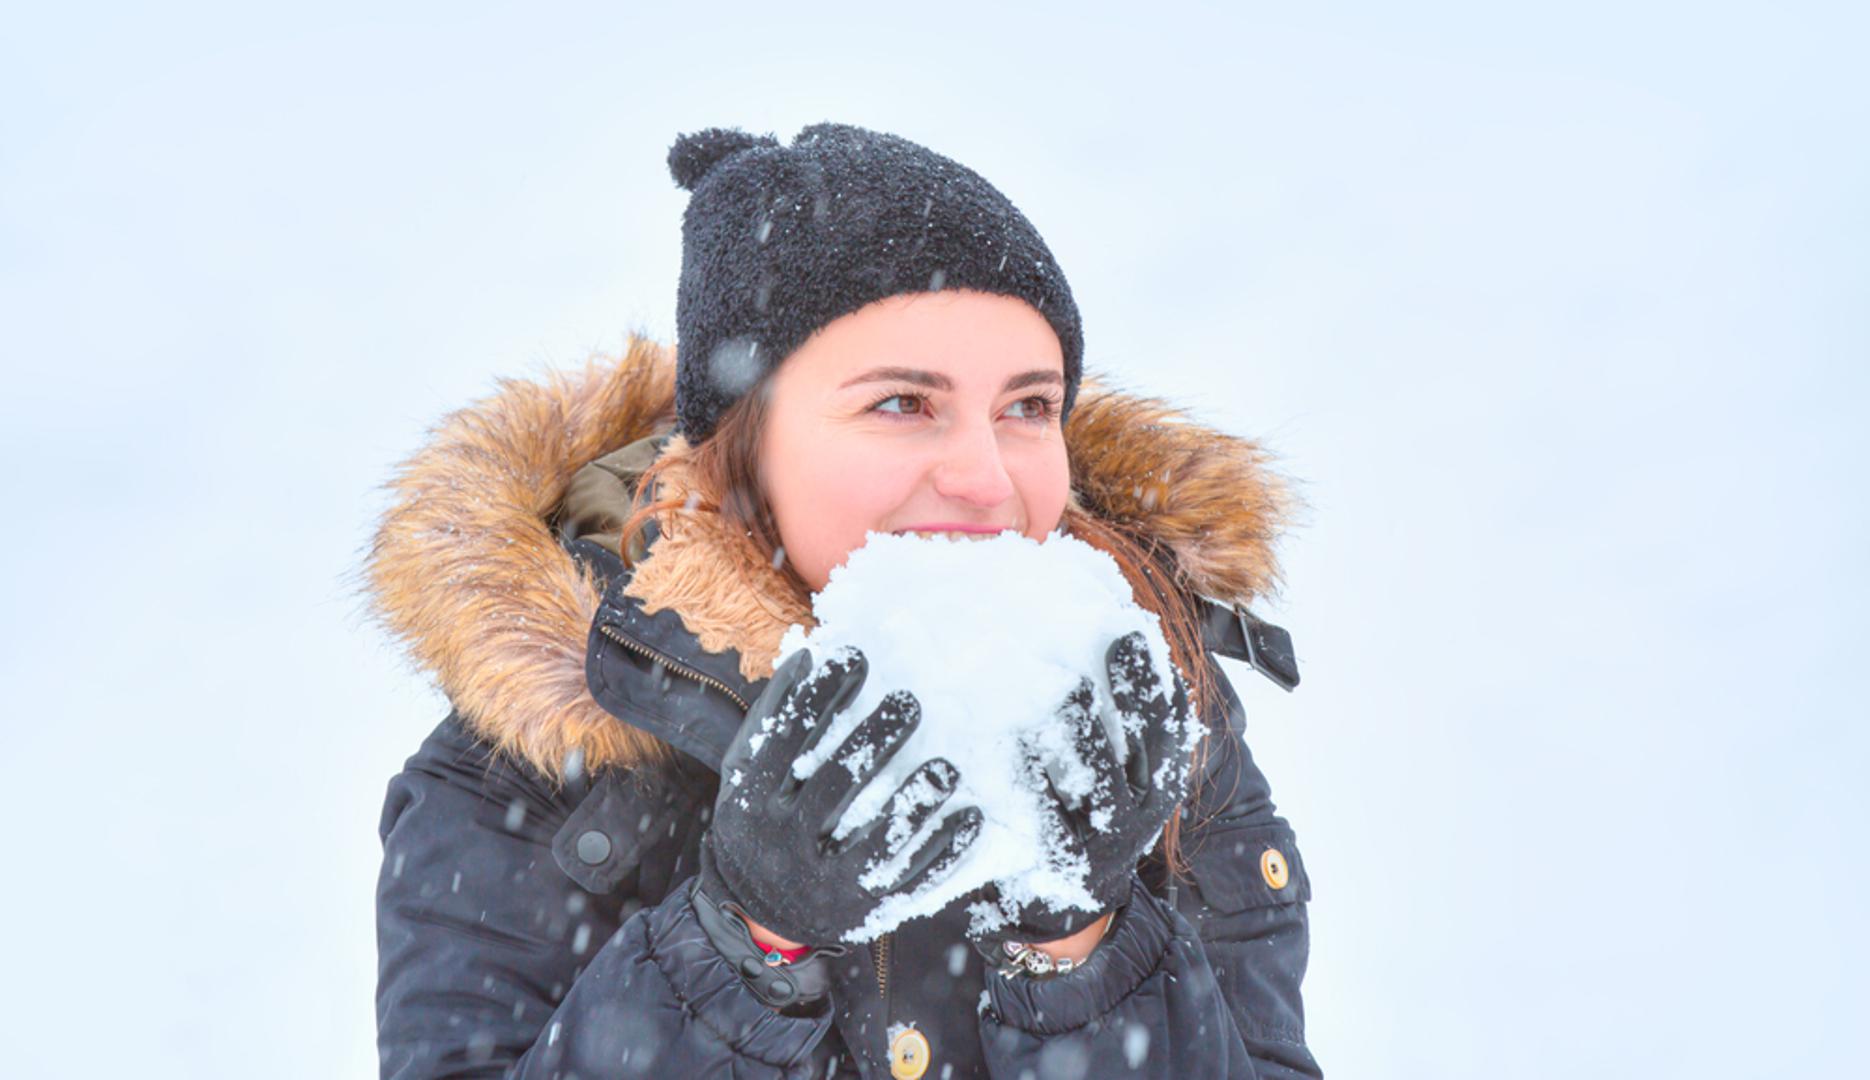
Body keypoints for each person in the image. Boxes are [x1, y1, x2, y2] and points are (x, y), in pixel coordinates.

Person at [365, 122, 1321, 1079]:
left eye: (1029, 407)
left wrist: (1078, 954)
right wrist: (745, 947)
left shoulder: (1153, 705)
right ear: (741, 449)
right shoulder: (539, 762)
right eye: (902, 403)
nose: (988, 479)